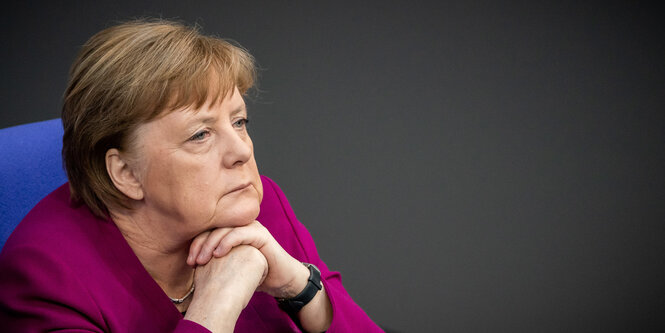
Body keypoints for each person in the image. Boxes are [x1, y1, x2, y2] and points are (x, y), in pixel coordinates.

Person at [0, 19, 383, 332]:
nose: (242, 151)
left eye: (239, 122)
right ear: (126, 173)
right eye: (201, 134)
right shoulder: (45, 278)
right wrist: (215, 306)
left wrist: (298, 287)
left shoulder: (256, 206)